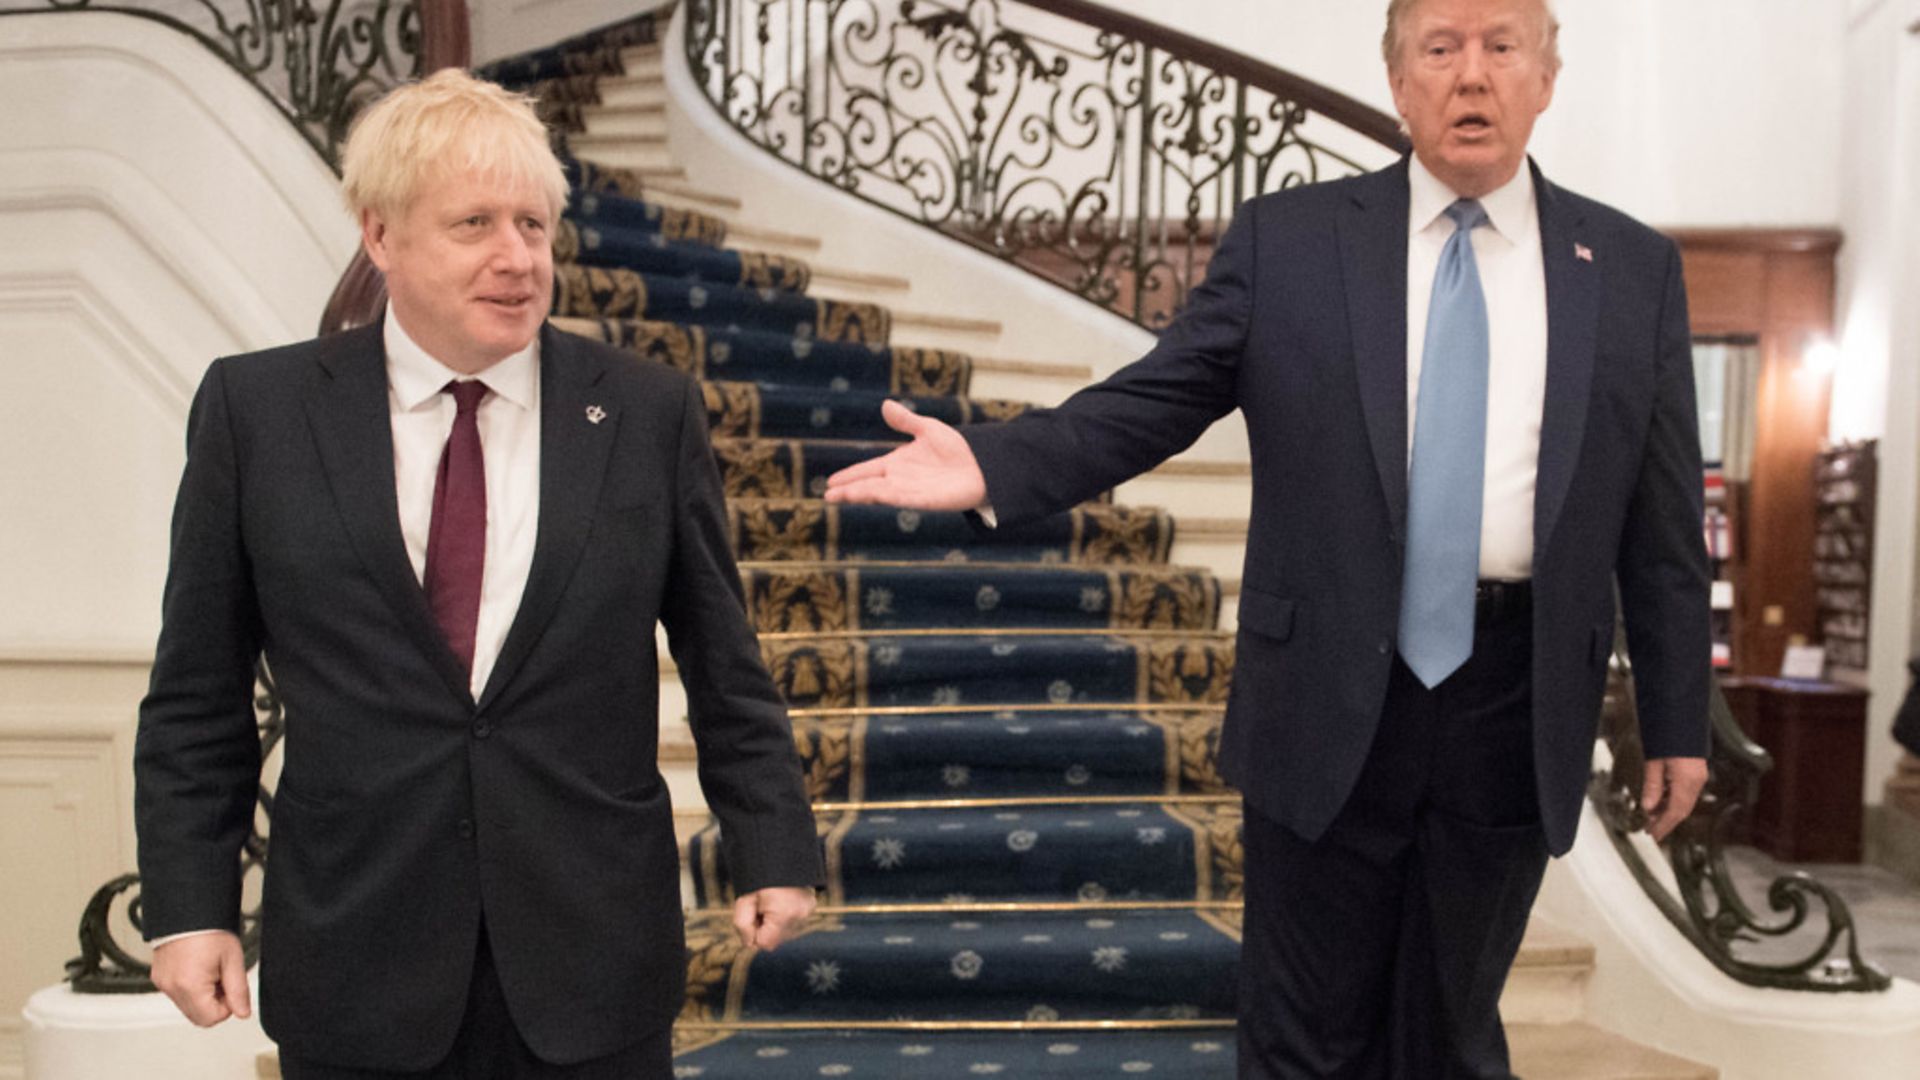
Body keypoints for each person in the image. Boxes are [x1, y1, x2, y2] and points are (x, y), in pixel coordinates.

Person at [824, 0, 1709, 1075]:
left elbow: (1661, 527)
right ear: (1398, 80)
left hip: (1515, 703)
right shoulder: (1292, 243)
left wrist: (1677, 719)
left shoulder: (1629, 269)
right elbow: (1157, 399)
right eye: (1440, 48)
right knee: (1301, 1038)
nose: (1470, 76)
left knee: (1453, 1034)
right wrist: (999, 463)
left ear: (1547, 75)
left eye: (1501, 47)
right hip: (1330, 689)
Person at [134, 69, 823, 1078]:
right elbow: (197, 694)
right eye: (474, 225)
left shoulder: (643, 413)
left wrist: (770, 843)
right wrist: (189, 907)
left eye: (534, 226)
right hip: (357, 948)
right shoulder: (258, 414)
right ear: (381, 237)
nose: (517, 259)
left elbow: (724, 660)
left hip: (593, 949)